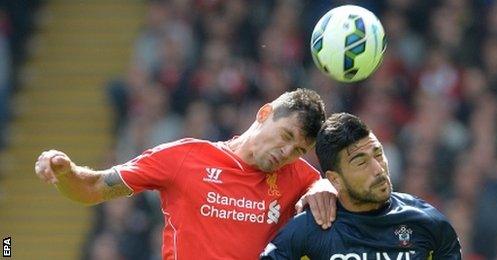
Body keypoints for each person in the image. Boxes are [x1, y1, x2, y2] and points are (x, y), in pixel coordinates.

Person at [34, 88, 338, 259]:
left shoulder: (299, 177)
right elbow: (93, 188)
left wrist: (322, 187)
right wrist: (66, 170)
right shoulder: (184, 158)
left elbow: (339, 197)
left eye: (299, 150)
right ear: (264, 114)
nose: (286, 153)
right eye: (285, 136)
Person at [261, 113, 462, 259]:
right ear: (335, 180)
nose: (378, 169)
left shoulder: (428, 223)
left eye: (378, 154)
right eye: (361, 162)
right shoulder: (308, 231)